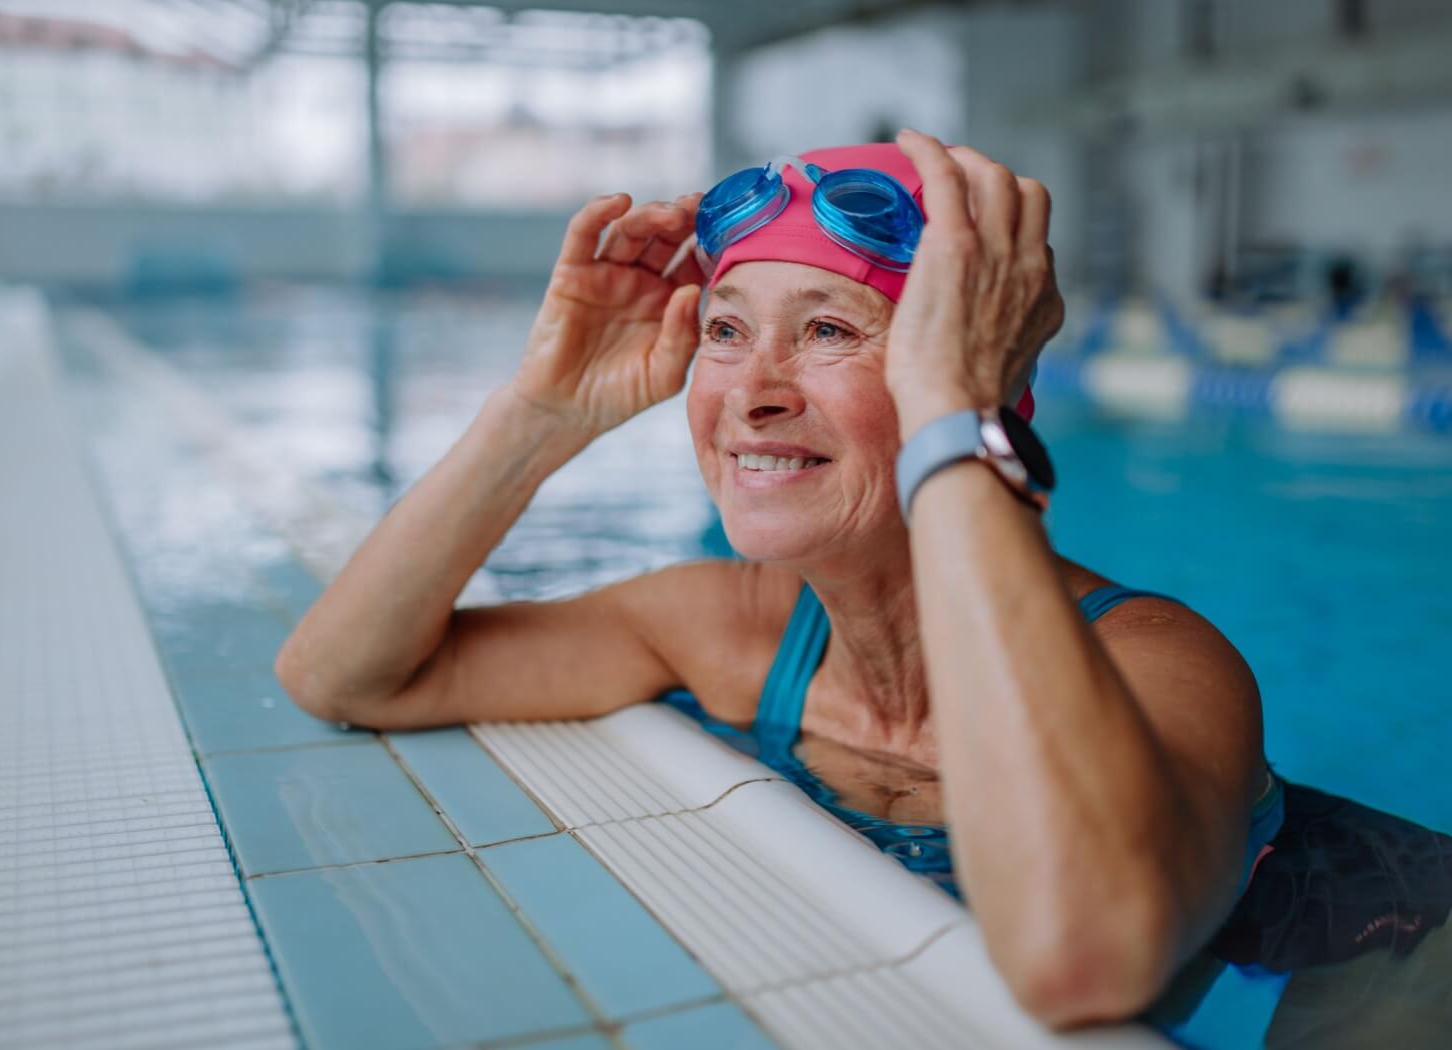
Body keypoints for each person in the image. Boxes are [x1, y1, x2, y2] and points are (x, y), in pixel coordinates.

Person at [275, 130, 1278, 1028]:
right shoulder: (730, 628)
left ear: (976, 385)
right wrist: (544, 414)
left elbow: (1081, 961)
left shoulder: (1156, 664)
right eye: (727, 330)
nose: (751, 396)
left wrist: (952, 418)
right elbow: (348, 676)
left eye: (830, 331)